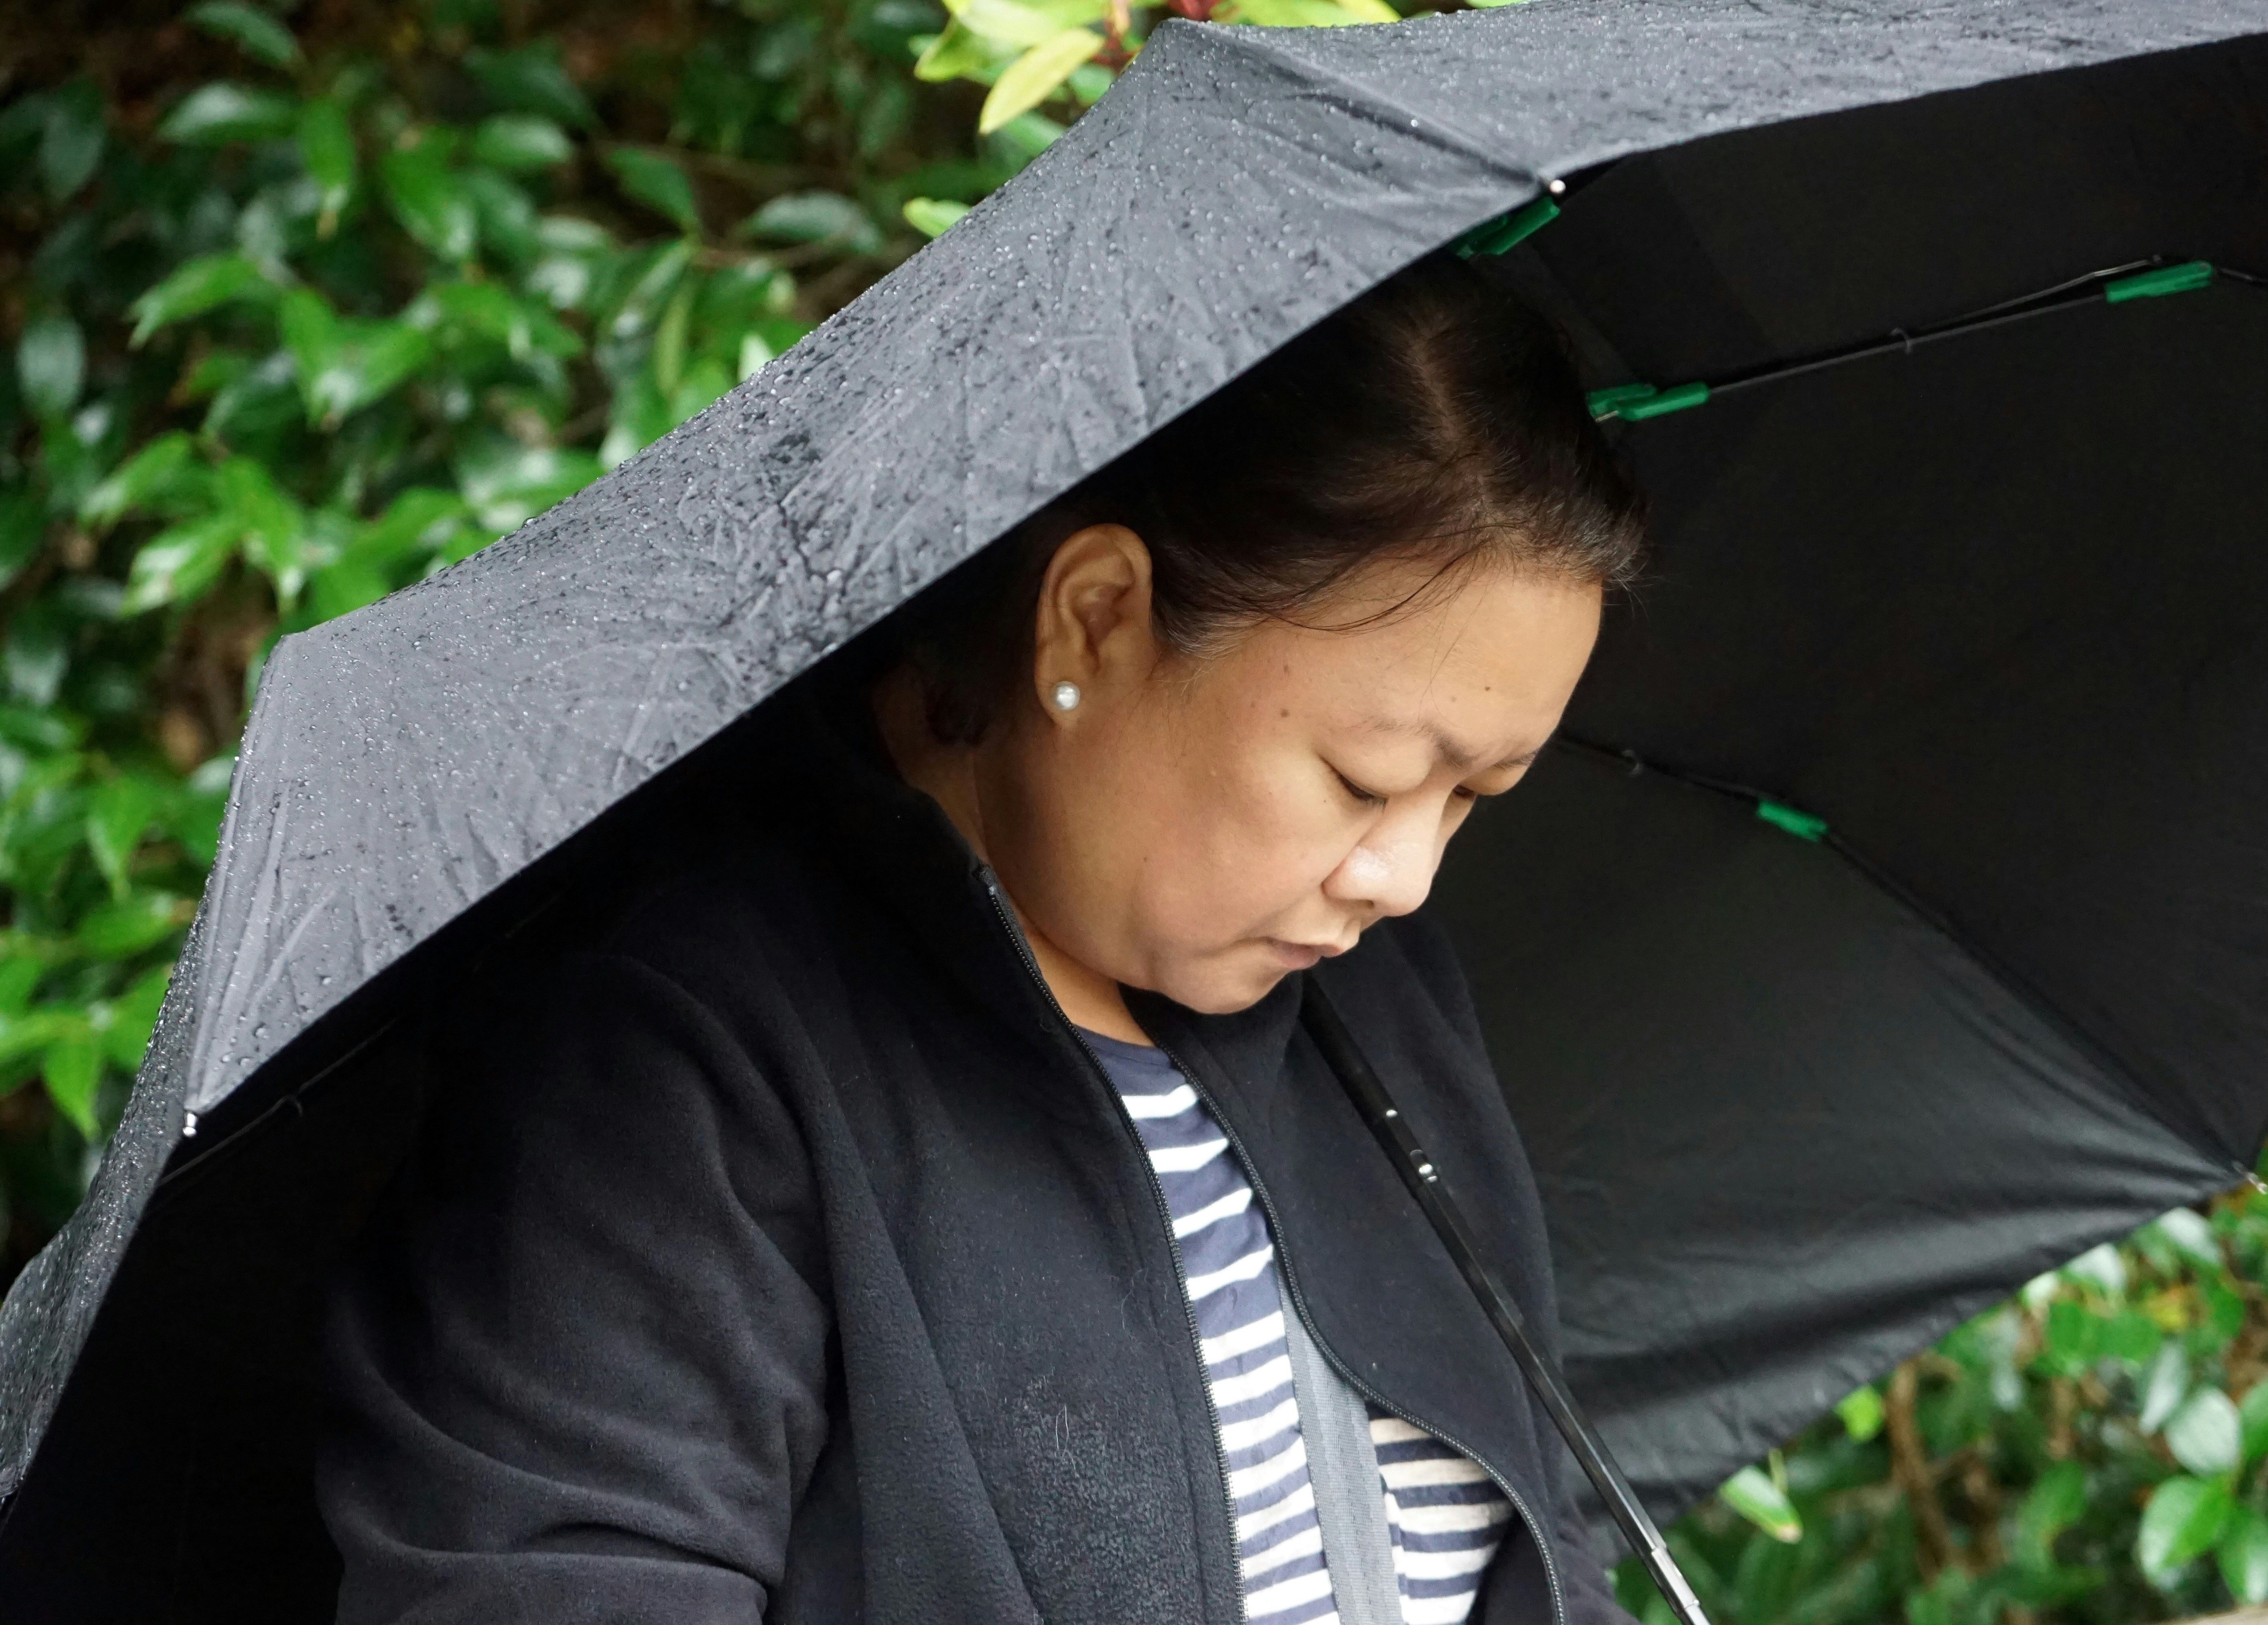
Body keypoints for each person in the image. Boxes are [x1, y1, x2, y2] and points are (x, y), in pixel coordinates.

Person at [315, 252, 1647, 1625]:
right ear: (1096, 618)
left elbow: (1541, 1544)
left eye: (1473, 799)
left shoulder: (1379, 1007)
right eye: (1365, 781)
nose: (1406, 877)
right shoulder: (678, 1053)